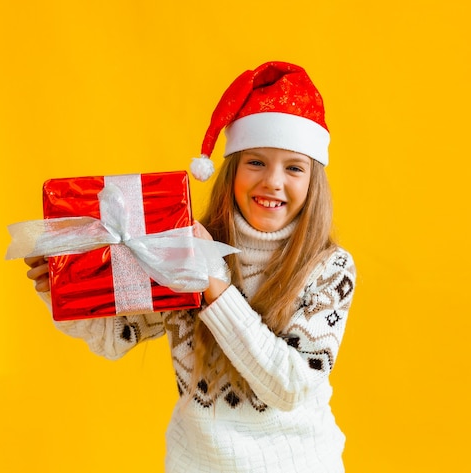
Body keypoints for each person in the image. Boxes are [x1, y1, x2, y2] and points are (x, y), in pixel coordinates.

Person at [24, 61, 356, 473]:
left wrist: (215, 287)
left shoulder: (329, 268)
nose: (273, 181)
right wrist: (63, 288)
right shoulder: (183, 247)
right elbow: (115, 337)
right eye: (256, 162)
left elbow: (289, 387)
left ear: (312, 180)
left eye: (293, 167)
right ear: (231, 171)